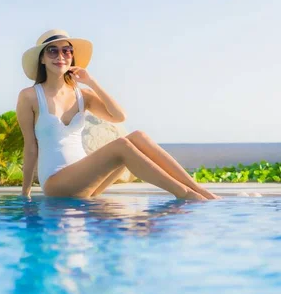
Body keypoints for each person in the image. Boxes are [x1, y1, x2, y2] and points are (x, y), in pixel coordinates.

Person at [16, 29, 220, 200]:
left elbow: (119, 116)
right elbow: (30, 147)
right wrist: (26, 193)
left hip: (88, 183)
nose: (61, 56)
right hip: (56, 182)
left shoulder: (83, 95)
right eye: (52, 51)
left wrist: (92, 82)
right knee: (121, 146)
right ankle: (184, 193)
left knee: (138, 136)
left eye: (67, 51)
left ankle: (200, 190)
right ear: (42, 58)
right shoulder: (30, 97)